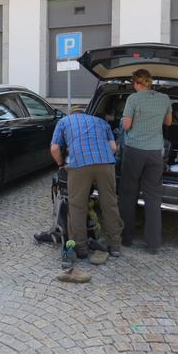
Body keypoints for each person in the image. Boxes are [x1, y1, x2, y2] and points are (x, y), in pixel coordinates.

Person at [50, 107, 123, 262]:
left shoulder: (64, 121)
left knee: (77, 206)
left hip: (80, 164)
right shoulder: (101, 122)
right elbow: (113, 148)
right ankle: (115, 246)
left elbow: (55, 148)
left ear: (72, 114)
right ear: (85, 114)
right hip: (106, 162)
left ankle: (81, 248)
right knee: (109, 204)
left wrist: (61, 164)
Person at [119, 69, 172, 254]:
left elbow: (126, 125)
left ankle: (125, 239)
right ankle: (153, 243)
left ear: (136, 83)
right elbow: (168, 123)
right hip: (155, 153)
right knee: (153, 197)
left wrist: (127, 120)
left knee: (128, 194)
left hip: (134, 150)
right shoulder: (164, 99)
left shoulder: (133, 99)